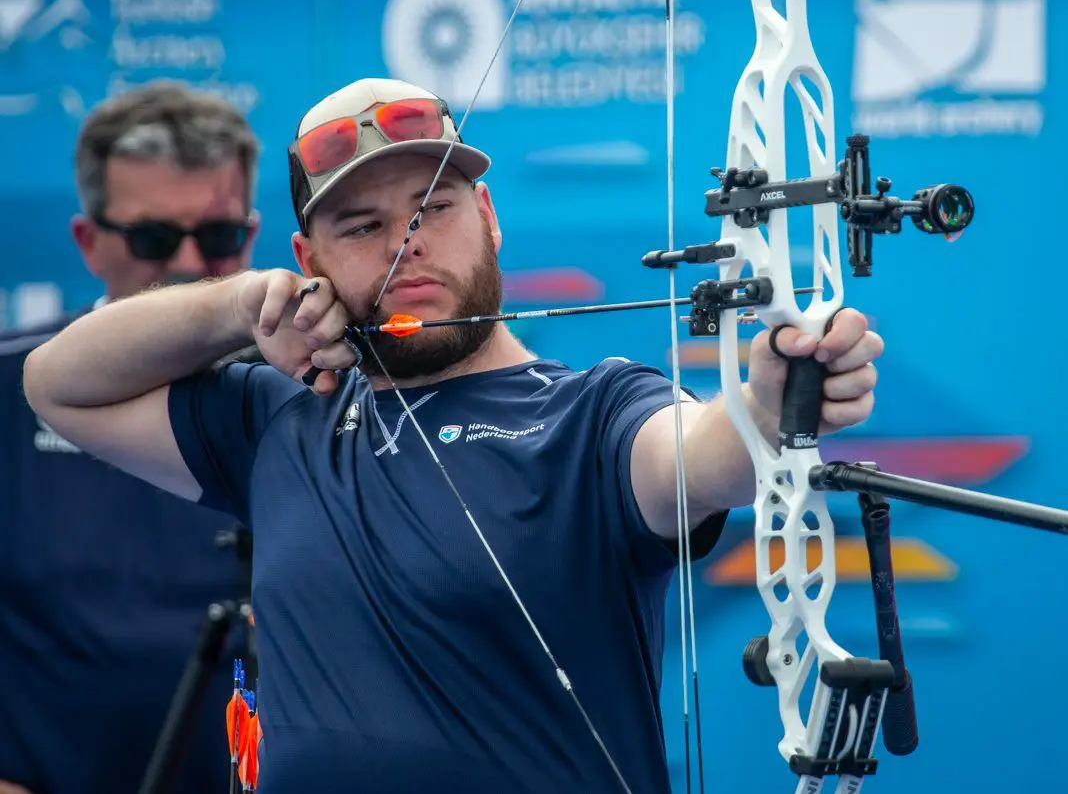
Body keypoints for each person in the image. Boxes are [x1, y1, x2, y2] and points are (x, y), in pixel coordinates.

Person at [22, 77, 884, 794]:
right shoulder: (277, 418)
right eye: (360, 227)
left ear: (489, 215)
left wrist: (770, 406)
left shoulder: (594, 414)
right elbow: (56, 383)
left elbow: (700, 453)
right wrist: (237, 306)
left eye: (433, 205)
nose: (407, 244)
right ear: (308, 260)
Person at [1, 83, 264, 794]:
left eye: (215, 237)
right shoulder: (7, 388)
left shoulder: (314, 398)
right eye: (152, 237)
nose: (185, 263)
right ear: (89, 242)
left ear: (252, 235)